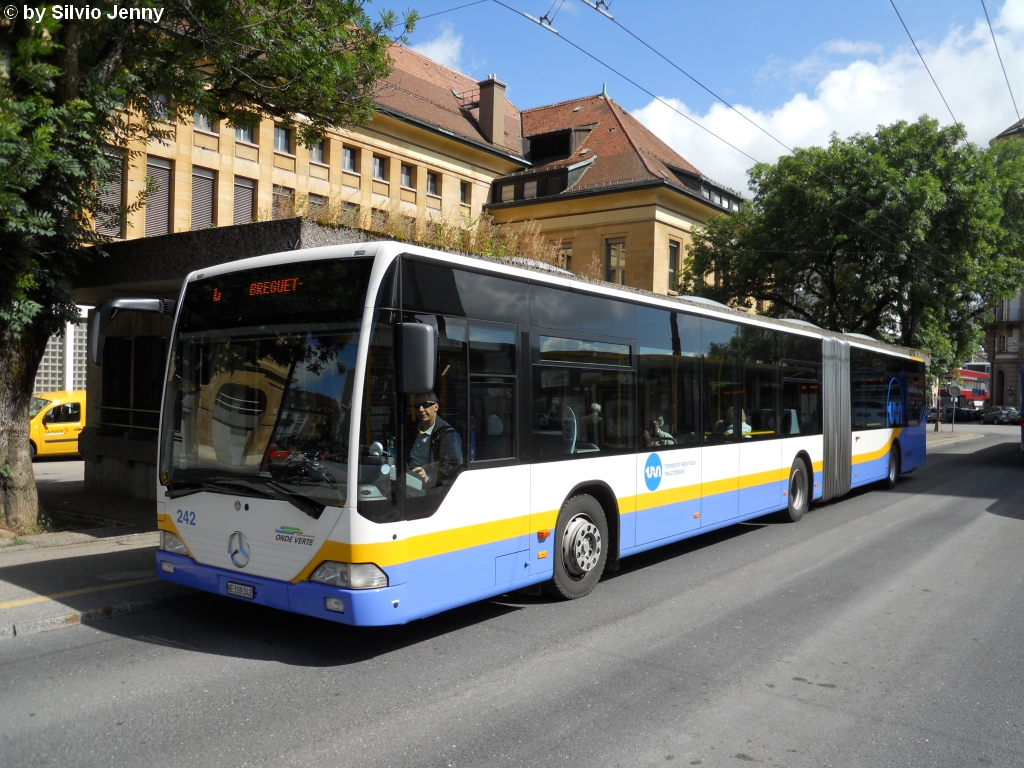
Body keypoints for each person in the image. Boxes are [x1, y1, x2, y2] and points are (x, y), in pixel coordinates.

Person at [408, 391, 463, 490]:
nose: (421, 409)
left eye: (425, 405)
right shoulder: (412, 429)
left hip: (426, 488)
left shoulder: (447, 434)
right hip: (407, 478)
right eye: (417, 405)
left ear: (436, 407)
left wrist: (428, 478)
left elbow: (452, 468)